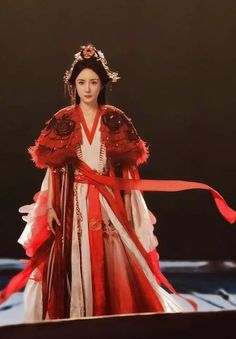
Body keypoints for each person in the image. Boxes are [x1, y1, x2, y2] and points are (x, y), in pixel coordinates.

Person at [0, 43, 235, 321]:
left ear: (102, 84)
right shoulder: (63, 119)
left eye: (94, 82)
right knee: (74, 251)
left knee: (113, 252)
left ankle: (110, 314)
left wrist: (128, 206)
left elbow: (127, 169)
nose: (87, 88)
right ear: (73, 84)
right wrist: (51, 207)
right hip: (72, 200)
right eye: (82, 82)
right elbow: (53, 169)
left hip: (107, 199)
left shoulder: (114, 118)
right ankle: (75, 315)